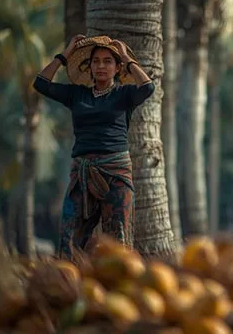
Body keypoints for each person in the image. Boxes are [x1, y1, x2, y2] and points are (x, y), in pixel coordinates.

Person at [33, 34, 155, 260]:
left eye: (108, 61)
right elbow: (41, 83)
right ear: (89, 68)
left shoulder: (124, 94)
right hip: (82, 173)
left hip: (115, 173)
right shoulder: (77, 94)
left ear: (117, 68)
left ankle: (117, 288)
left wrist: (127, 58)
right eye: (95, 61)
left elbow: (148, 87)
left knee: (118, 239)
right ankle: (70, 286)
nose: (101, 66)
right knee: (70, 237)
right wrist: (65, 54)